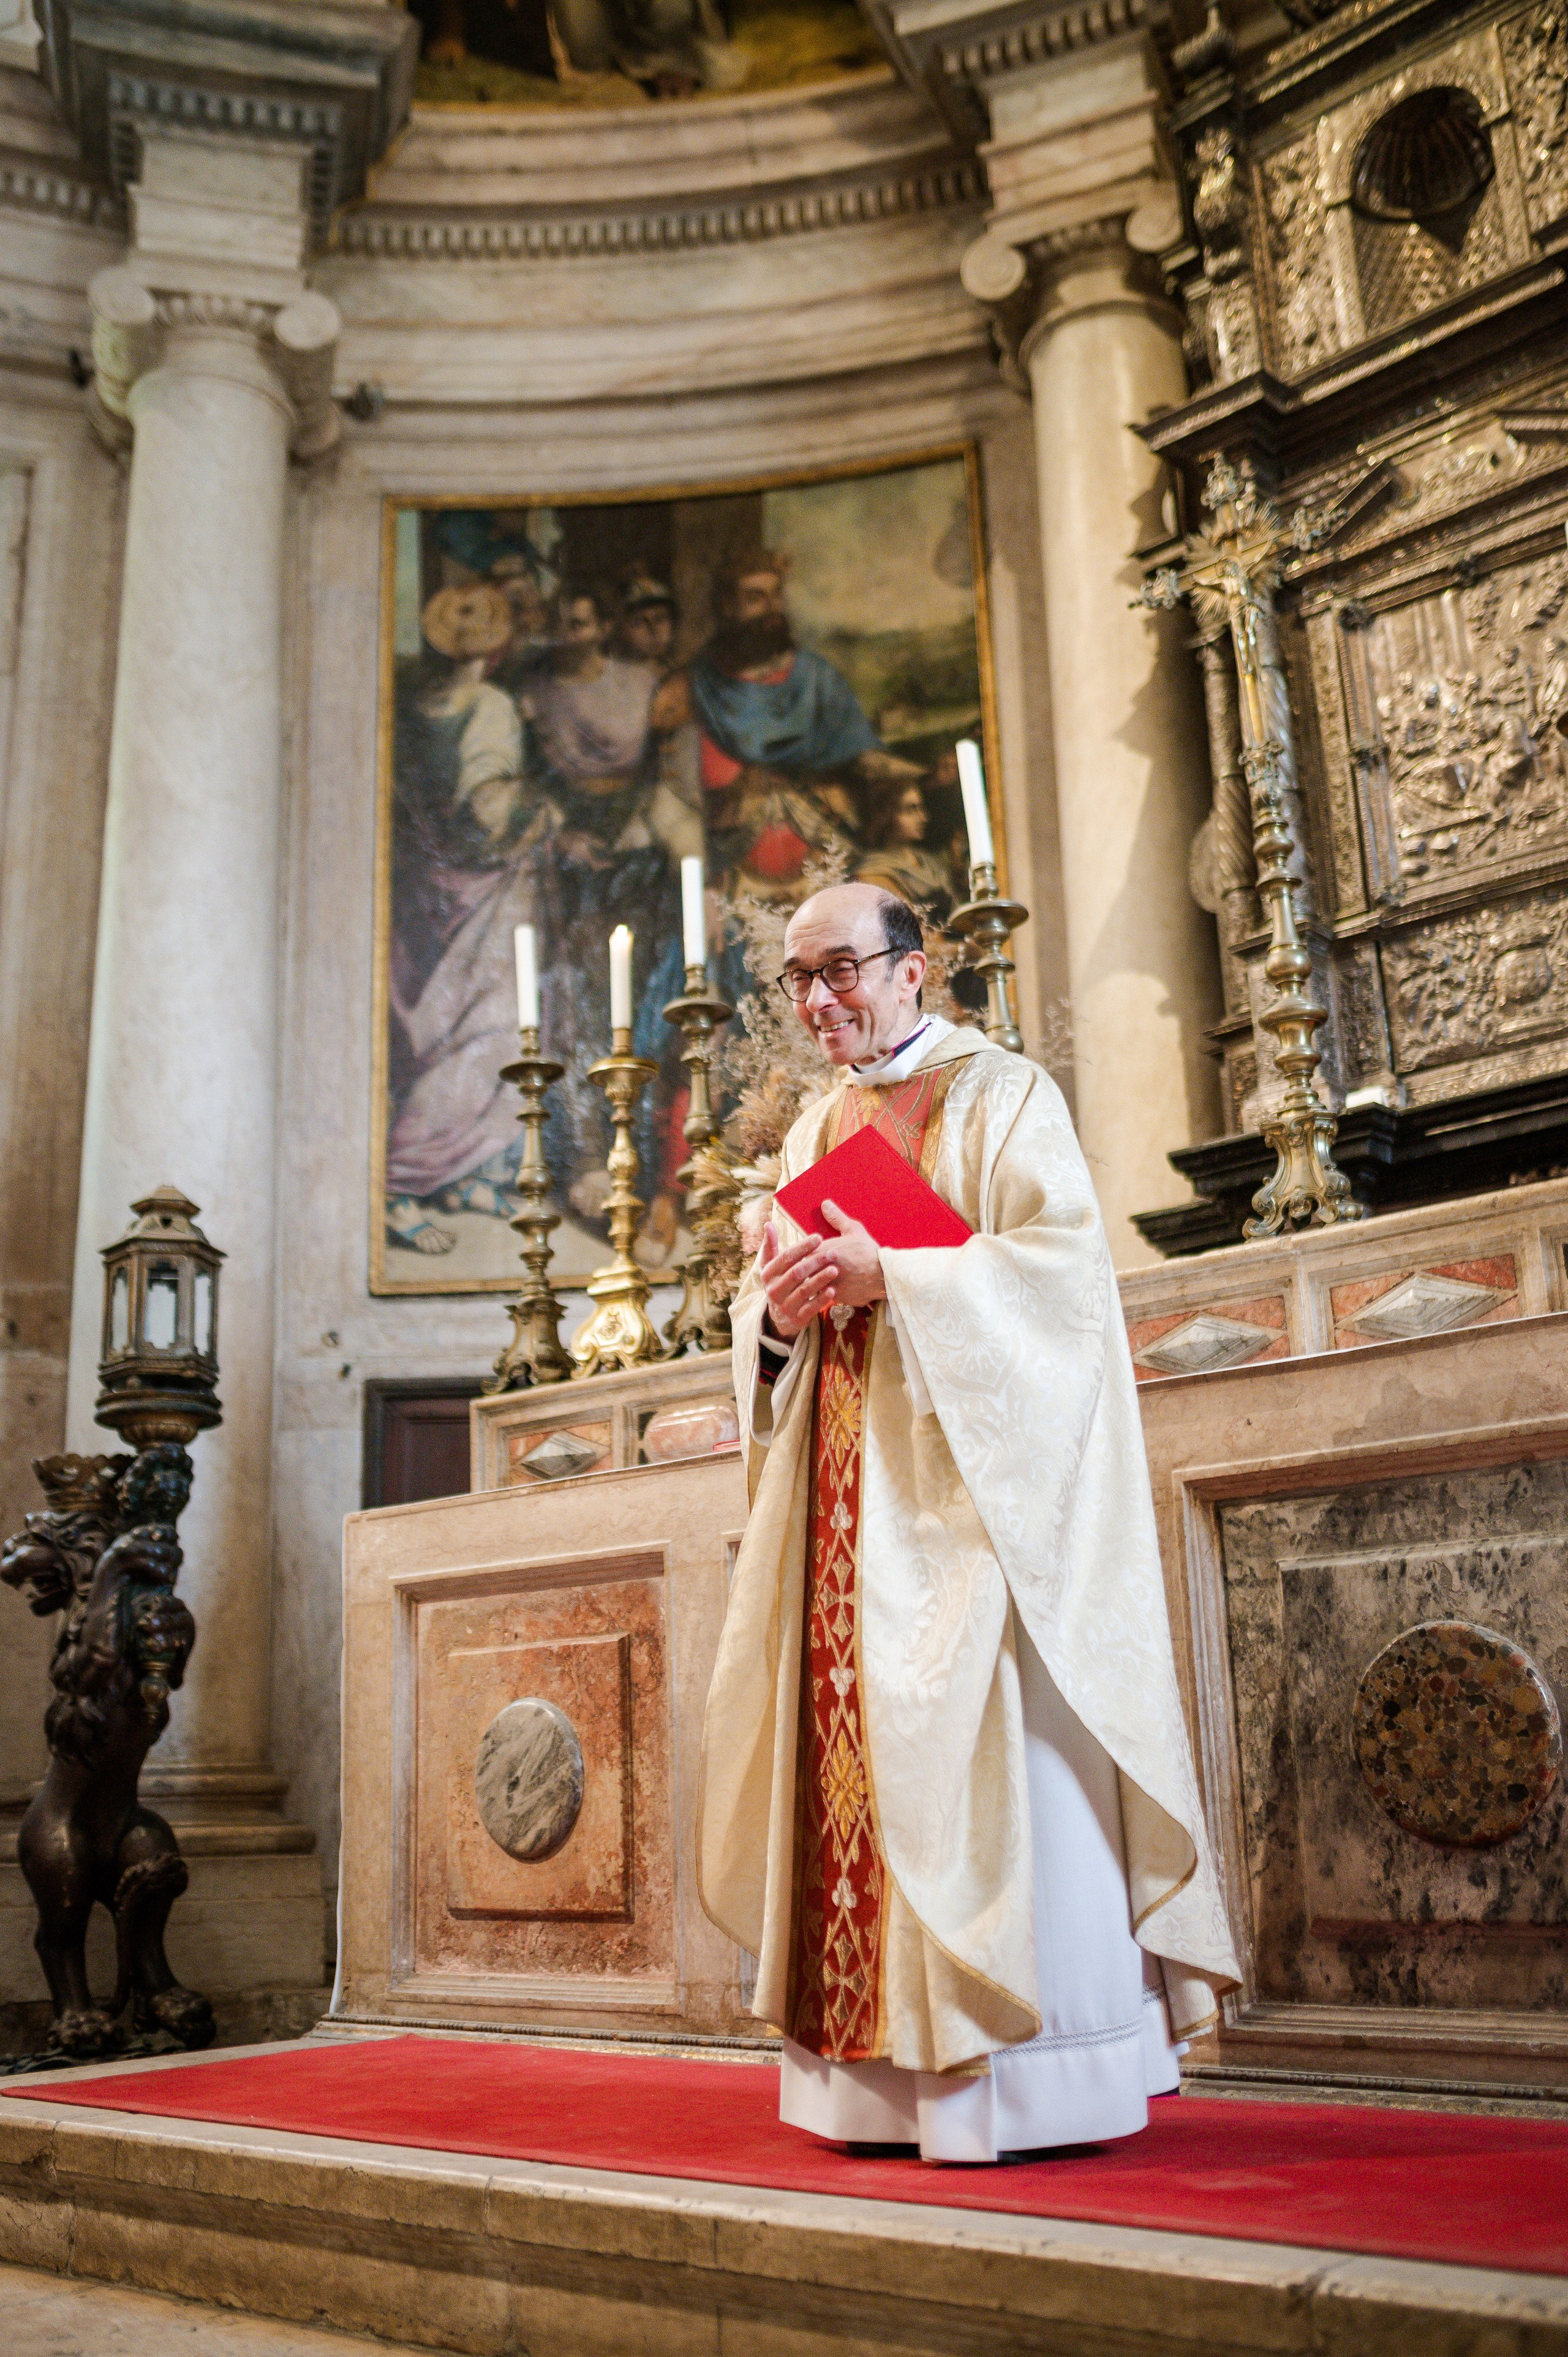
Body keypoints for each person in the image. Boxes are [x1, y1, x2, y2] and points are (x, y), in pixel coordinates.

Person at [698, 881, 1238, 2163]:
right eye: (797, 979)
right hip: (840, 1501)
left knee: (987, 1765)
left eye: (841, 969)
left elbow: (1063, 1287)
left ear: (914, 967)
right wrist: (773, 1315)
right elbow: (768, 1317)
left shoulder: (1004, 1096)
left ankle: (1023, 2082)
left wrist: (899, 1275)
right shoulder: (814, 1128)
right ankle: (869, 2087)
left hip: (974, 1509)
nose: (819, 999)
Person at [385, 583, 554, 1255]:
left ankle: (461, 1177)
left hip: (423, 888)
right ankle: (401, 1179)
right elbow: (487, 804)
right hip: (480, 888)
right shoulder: (488, 706)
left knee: (439, 1027)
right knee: (491, 1027)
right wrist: (540, 810)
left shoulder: (412, 707)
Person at [660, 548, 921, 897]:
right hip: (733, 892)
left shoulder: (817, 679)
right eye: (756, 598)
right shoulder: (691, 688)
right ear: (727, 607)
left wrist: (922, 776)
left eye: (776, 595)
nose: (772, 609)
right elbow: (669, 793)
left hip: (827, 883)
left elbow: (865, 759)